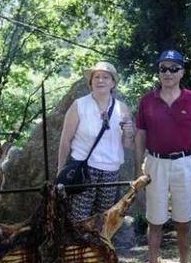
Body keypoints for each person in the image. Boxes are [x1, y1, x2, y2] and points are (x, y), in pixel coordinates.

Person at [134, 49, 191, 263]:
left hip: (185, 163)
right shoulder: (147, 100)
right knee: (154, 219)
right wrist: (139, 167)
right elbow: (140, 135)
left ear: (182, 72)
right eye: (163, 68)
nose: (168, 73)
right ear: (158, 72)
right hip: (155, 163)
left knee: (183, 221)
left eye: (174, 68)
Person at [57, 61, 135, 221]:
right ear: (90, 82)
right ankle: (77, 246)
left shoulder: (122, 108)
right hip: (84, 170)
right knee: (78, 218)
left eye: (106, 77)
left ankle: (96, 247)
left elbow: (127, 144)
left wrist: (129, 133)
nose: (100, 80)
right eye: (96, 77)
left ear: (113, 82)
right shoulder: (79, 106)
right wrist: (60, 172)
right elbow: (65, 140)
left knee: (103, 219)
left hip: (110, 171)